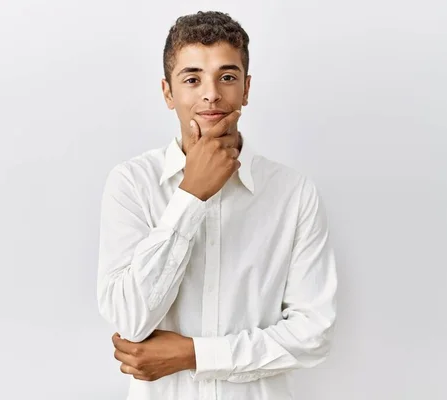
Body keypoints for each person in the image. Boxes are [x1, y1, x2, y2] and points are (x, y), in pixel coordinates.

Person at [97, 10, 337, 400]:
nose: (211, 93)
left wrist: (194, 355)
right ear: (167, 92)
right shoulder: (131, 184)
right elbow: (130, 319)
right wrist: (190, 196)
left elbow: (313, 333)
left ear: (246, 88)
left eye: (227, 77)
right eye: (192, 79)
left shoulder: (294, 194)